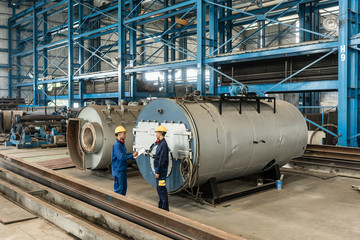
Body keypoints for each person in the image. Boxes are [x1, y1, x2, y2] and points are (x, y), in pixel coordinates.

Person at [111, 126, 138, 196]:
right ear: (119, 134)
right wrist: (132, 156)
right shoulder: (116, 145)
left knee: (123, 189)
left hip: (122, 170)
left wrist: (132, 154)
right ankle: (117, 205)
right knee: (119, 191)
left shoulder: (122, 144)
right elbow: (121, 157)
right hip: (118, 171)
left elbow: (124, 154)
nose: (125, 135)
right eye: (124, 133)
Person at [153, 125, 169, 211]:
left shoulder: (163, 145)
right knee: (159, 189)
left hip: (161, 172)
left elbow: (162, 160)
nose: (156, 135)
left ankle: (165, 209)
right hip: (160, 171)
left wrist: (158, 172)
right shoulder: (161, 143)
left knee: (161, 189)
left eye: (157, 133)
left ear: (160, 133)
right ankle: (160, 207)